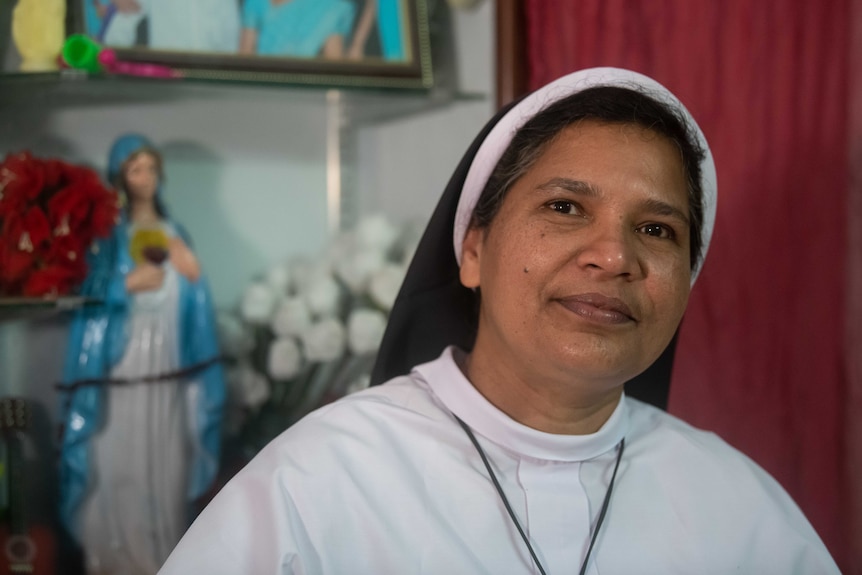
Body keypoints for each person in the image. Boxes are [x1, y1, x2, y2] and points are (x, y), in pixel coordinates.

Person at [157, 68, 840, 574]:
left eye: (657, 227)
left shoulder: (739, 510)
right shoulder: (321, 481)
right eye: (566, 207)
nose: (614, 255)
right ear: (475, 248)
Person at [60, 134, 226, 575]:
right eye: (136, 170)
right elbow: (89, 295)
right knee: (116, 458)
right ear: (120, 177)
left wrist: (189, 269)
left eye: (152, 169)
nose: (146, 178)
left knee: (167, 461)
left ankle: (163, 555)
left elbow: (197, 296)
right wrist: (128, 285)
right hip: (120, 368)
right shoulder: (109, 239)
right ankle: (114, 556)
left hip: (169, 365)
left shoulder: (175, 235)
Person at [239, 0, 356, 58]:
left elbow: (333, 63)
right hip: (261, 88)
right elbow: (245, 55)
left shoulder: (329, 7)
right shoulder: (256, 2)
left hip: (305, 91)